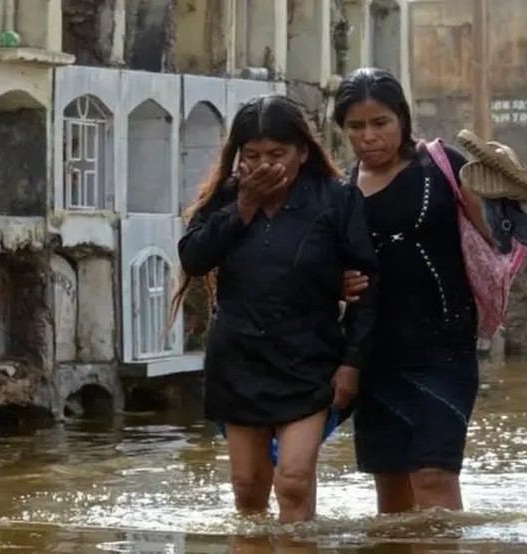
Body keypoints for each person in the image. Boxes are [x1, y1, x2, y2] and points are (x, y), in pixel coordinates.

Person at [168, 94, 378, 523]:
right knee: (247, 490)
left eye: (277, 154)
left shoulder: (336, 199)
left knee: (295, 481)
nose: (265, 165)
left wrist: (352, 364)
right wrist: (243, 206)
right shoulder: (228, 198)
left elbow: (366, 288)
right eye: (253, 155)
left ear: (302, 152)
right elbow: (193, 258)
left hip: (309, 357)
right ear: (238, 158)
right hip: (239, 358)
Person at [334, 67, 484, 513]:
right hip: (373, 354)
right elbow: (313, 262)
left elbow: (499, 238)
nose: (369, 137)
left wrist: (502, 183)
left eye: (380, 123)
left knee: (435, 477)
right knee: (392, 495)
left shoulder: (443, 166)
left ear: (402, 118)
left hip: (445, 349)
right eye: (355, 127)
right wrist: (333, 280)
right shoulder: (338, 190)